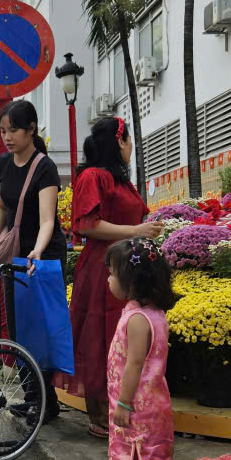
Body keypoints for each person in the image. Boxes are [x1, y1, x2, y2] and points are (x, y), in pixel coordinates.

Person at [61, 117, 162, 438]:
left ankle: (124, 406)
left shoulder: (118, 180)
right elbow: (87, 225)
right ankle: (102, 416)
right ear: (119, 141)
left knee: (125, 339)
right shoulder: (93, 176)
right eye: (129, 139)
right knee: (100, 338)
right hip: (102, 269)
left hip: (128, 267)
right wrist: (137, 230)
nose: (131, 145)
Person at [0, 100, 74, 423]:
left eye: (14, 130)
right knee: (20, 327)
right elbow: (1, 209)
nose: (7, 137)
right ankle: (37, 398)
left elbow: (48, 219)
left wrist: (37, 250)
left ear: (31, 129)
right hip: (15, 254)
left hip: (43, 255)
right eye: (3, 131)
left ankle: (46, 400)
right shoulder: (4, 164)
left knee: (43, 327)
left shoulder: (44, 167)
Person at [102, 238, 178, 460]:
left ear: (131, 281)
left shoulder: (135, 319)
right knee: (153, 457)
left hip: (137, 406)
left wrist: (123, 404)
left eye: (111, 273)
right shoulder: (155, 313)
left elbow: (134, 365)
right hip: (155, 402)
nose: (108, 280)